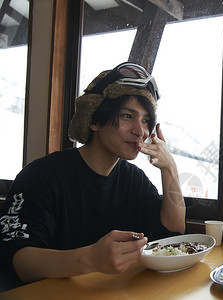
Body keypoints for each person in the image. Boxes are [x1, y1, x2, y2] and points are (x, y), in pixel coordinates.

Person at [0, 62, 186, 289]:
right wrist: (91, 259)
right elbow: (19, 261)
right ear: (94, 120)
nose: (140, 131)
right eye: (128, 116)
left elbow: (174, 229)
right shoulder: (41, 175)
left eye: (146, 121)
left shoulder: (133, 180)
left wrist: (170, 169)